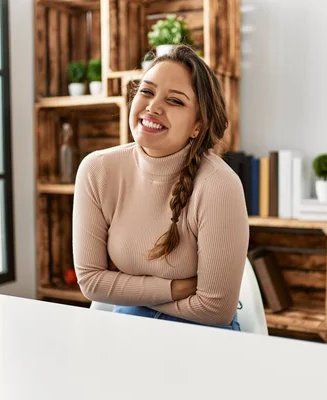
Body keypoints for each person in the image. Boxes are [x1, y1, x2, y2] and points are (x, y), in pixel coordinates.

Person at [72, 45, 249, 331]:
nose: (153, 106)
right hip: (127, 325)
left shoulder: (218, 185)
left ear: (198, 126)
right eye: (146, 91)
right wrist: (176, 288)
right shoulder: (97, 170)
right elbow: (91, 281)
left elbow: (216, 310)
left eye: (175, 101)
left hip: (203, 337)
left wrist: (127, 290)